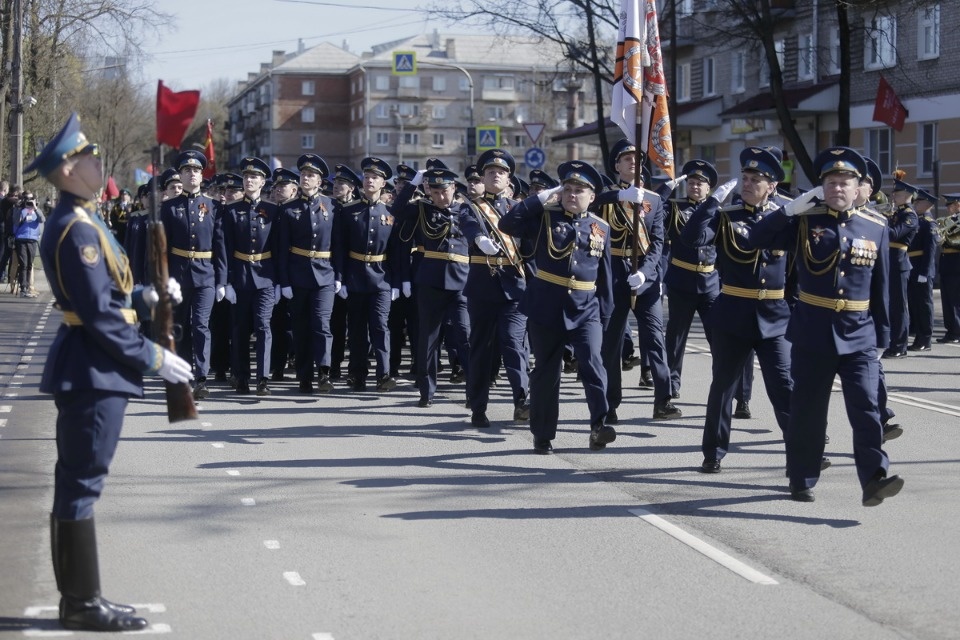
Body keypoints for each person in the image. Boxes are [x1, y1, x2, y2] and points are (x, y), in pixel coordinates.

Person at [31, 112, 193, 631]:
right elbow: (98, 314)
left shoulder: (85, 220)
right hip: (93, 369)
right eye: (86, 161)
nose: (96, 167)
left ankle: (80, 597)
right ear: (66, 172)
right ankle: (81, 604)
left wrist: (147, 297)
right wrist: (154, 357)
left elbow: (109, 296)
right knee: (81, 483)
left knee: (78, 481)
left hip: (92, 365)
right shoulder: (75, 228)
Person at [747, 146, 903, 506]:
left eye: (844, 182)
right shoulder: (805, 220)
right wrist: (788, 209)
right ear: (821, 187)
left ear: (858, 186)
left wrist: (884, 336)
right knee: (808, 411)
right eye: (830, 182)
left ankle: (874, 478)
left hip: (860, 332)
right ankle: (802, 476)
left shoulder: (876, 225)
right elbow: (756, 240)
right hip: (814, 331)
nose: (837, 188)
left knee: (866, 407)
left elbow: (883, 286)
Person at [681, 148, 795, 472]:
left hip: (775, 315)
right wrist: (712, 202)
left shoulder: (785, 218)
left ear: (771, 185)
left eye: (755, 179)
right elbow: (691, 238)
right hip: (734, 311)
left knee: (784, 386)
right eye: (744, 178)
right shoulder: (726, 215)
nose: (747, 184)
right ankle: (713, 452)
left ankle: (801, 451)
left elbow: (798, 267)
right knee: (724, 386)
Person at [499, 160, 613, 453]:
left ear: (592, 197)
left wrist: (605, 315)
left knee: (593, 364)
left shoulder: (601, 227)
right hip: (547, 306)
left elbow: (606, 276)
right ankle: (543, 434)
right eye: (568, 189)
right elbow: (507, 224)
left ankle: (599, 425)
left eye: (579, 190)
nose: (572, 194)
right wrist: (538, 199)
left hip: (586, 309)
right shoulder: (544, 217)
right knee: (547, 373)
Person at [595, 139, 680, 421]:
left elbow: (657, 242)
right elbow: (589, 203)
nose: (633, 162)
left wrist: (646, 271)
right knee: (612, 342)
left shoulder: (653, 200)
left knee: (655, 339)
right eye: (626, 158)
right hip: (614, 273)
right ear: (616, 165)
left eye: (637, 159)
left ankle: (663, 400)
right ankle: (609, 404)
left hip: (645, 275)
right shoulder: (605, 197)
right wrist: (619, 197)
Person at [460, 149, 530, 425]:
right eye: (490, 172)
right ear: (484, 177)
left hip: (515, 287)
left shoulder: (518, 209)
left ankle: (522, 401)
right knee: (480, 348)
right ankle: (478, 407)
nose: (495, 175)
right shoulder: (472, 207)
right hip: (483, 288)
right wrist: (478, 239)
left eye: (501, 172)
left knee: (514, 344)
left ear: (509, 178)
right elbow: (468, 226)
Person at [393, 168, 472, 408]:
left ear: (454, 189)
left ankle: (473, 390)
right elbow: (395, 210)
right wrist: (414, 183)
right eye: (435, 192)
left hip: (461, 283)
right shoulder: (421, 208)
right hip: (431, 282)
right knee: (428, 338)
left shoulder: (467, 210)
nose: (440, 197)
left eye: (444, 191)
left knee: (465, 336)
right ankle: (426, 392)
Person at [334, 157, 399, 392]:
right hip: (355, 277)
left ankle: (383, 374)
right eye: (367, 177)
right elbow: (339, 247)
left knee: (380, 327)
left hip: (382, 278)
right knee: (358, 329)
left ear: (383, 183)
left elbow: (395, 252)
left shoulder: (390, 213)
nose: (370, 180)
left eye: (375, 178)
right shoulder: (348, 211)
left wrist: (398, 282)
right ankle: (357, 374)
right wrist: (339, 278)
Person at [276, 155, 340, 394]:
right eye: (303, 174)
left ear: (320, 181)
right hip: (298, 275)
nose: (305, 178)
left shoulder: (332, 206)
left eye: (311, 175)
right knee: (301, 327)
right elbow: (282, 248)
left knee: (322, 324)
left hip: (325, 274)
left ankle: (324, 372)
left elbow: (339, 245)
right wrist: (284, 281)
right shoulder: (289, 209)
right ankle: (305, 376)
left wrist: (339, 275)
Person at [659, 158, 721, 401]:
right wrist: (665, 189)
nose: (695, 187)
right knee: (676, 338)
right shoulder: (675, 207)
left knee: (718, 337)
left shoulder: (717, 210)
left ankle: (723, 384)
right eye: (691, 182)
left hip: (710, 282)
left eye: (700, 184)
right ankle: (672, 383)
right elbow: (649, 210)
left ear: (709, 188)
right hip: (682, 280)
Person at [160, 150, 220, 399]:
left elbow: (220, 245)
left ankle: (202, 376)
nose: (192, 174)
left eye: (196, 170)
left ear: (201, 175)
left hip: (206, 274)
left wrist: (223, 279)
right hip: (179, 274)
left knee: (201, 325)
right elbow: (161, 247)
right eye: (187, 170)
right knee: (181, 326)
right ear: (181, 176)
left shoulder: (214, 206)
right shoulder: (169, 207)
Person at [216, 156, 277, 395]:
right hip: (240, 278)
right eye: (246, 177)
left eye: (254, 177)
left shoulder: (273, 210)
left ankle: (263, 377)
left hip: (265, 277)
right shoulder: (231, 211)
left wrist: (280, 281)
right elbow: (224, 248)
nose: (249, 180)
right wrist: (226, 281)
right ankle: (240, 376)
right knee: (239, 329)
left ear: (262, 182)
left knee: (263, 326)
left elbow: (279, 247)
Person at [883, 179, 919, 358]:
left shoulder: (910, 216)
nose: (893, 196)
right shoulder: (898, 212)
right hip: (890, 260)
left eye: (897, 194)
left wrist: (878, 222)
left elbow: (894, 234)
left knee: (899, 306)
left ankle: (900, 345)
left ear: (906, 196)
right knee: (891, 304)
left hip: (899, 262)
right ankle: (893, 341)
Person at [906, 189, 940, 352]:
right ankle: (918, 336)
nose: (915, 204)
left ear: (928, 204)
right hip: (912, 266)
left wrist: (925, 273)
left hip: (921, 269)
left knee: (924, 305)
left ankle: (925, 339)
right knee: (914, 304)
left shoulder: (929, 223)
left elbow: (930, 251)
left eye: (918, 202)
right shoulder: (917, 220)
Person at [13, 189, 45, 297]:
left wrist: (35, 208)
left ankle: (27, 288)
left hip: (32, 239)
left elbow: (42, 219)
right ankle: (23, 288)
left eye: (31, 199)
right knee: (23, 264)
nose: (29, 201)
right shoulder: (20, 210)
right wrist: (21, 208)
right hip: (21, 239)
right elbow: (15, 223)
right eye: (27, 199)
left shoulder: (37, 210)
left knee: (29, 265)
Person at [938, 194, 960, 343]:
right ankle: (951, 330)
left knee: (955, 299)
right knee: (946, 299)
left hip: (956, 262)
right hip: (946, 261)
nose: (948, 208)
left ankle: (956, 331)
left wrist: (949, 240)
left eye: (950, 205)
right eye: (947, 205)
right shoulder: (947, 221)